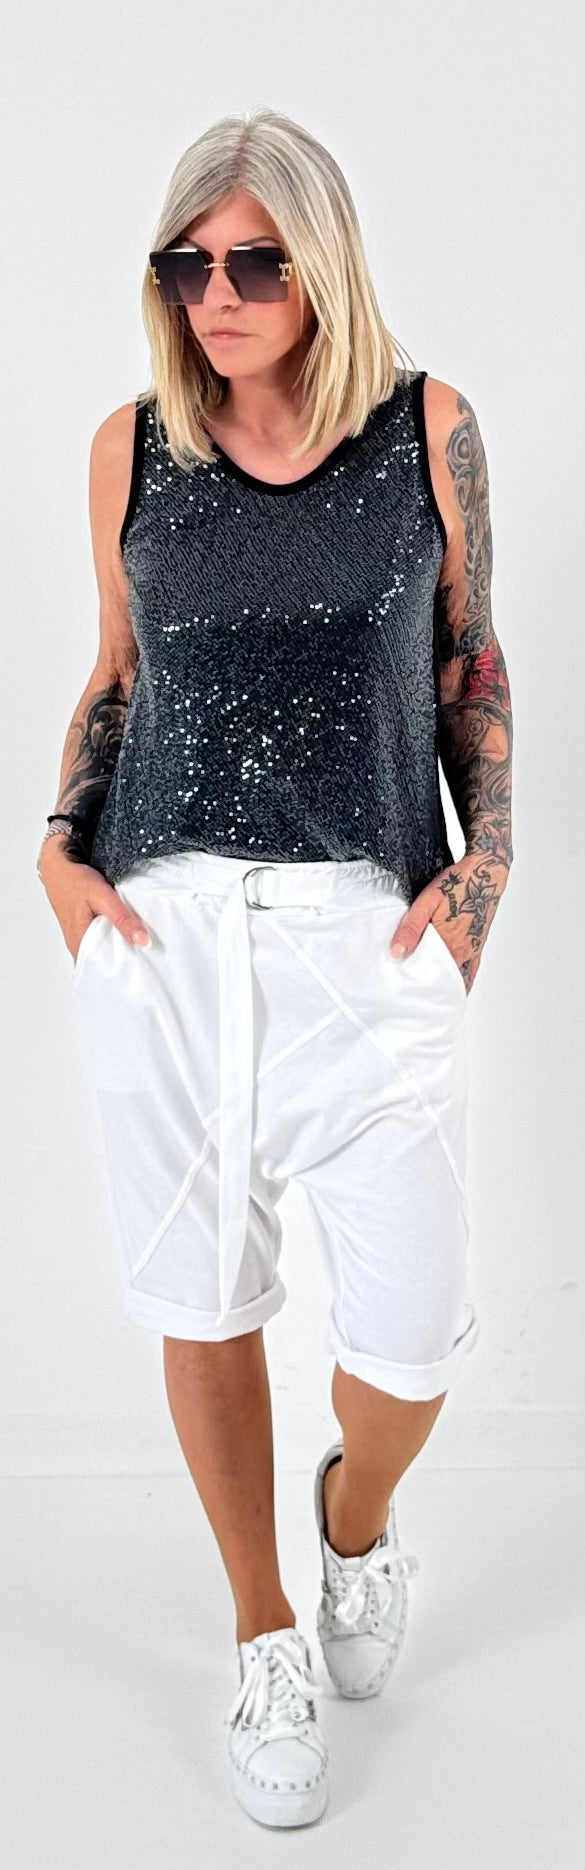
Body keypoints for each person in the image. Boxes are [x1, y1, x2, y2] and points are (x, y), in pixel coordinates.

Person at [36, 107, 514, 1830]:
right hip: (161, 929)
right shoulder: (131, 449)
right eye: (188, 264)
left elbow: (468, 662)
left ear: (323, 265)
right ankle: (262, 1629)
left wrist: (484, 874)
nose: (218, 293)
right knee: (205, 1299)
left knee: (409, 1341)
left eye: (254, 261)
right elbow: (116, 668)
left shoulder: (427, 430)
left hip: (364, 931)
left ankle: (351, 1520)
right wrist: (59, 845)